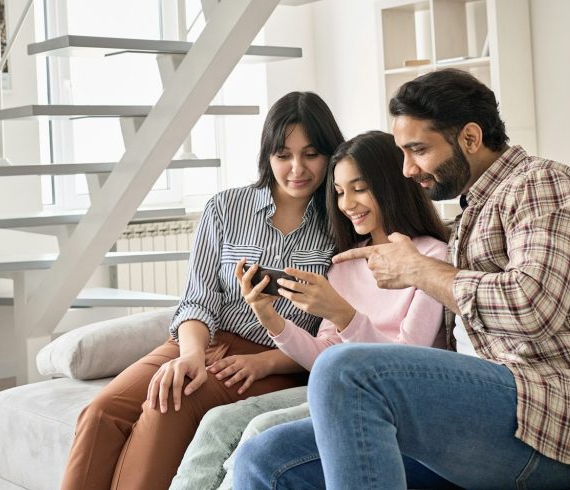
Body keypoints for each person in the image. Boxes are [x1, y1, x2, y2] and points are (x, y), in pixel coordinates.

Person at [233, 69, 570, 489]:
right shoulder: (471, 214)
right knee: (263, 456)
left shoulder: (543, 185)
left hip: (559, 414)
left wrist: (416, 269)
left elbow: (530, 307)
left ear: (469, 138)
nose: (408, 170)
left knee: (346, 369)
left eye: (418, 150)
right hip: (482, 415)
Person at [60, 91, 344, 490]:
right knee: (100, 412)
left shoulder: (343, 223)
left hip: (276, 360)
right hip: (201, 341)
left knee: (169, 405)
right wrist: (191, 354)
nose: (297, 168)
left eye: (311, 154)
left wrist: (266, 362)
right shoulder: (225, 208)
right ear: (268, 156)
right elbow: (197, 299)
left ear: (330, 155)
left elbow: (334, 336)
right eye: (283, 155)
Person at [170, 131, 450, 490]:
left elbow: (406, 364)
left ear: (391, 185)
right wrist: (269, 316)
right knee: (218, 423)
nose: (347, 203)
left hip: (395, 401)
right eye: (339, 191)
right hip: (336, 387)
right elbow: (323, 357)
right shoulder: (344, 266)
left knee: (259, 430)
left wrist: (344, 315)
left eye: (359, 188)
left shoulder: (430, 258)